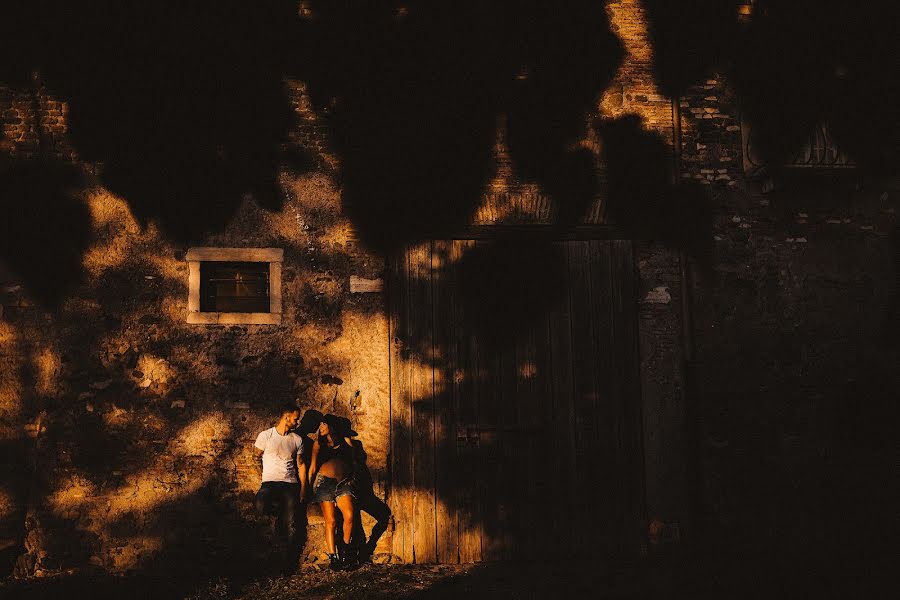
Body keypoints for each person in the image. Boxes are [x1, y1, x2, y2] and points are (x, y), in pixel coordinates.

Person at [253, 404, 307, 568]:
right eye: (296, 418)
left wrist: (303, 489)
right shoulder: (266, 435)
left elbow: (301, 466)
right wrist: (262, 478)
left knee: (291, 524)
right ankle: (279, 513)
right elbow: (255, 458)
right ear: (286, 416)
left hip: (290, 485)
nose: (297, 422)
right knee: (259, 505)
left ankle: (288, 564)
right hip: (269, 483)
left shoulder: (297, 439)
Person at [309, 413, 358, 570]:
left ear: (331, 426)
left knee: (349, 516)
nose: (320, 428)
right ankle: (333, 557)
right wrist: (308, 489)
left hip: (344, 484)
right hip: (324, 484)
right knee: (331, 521)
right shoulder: (318, 444)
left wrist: (353, 478)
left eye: (323, 425)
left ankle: (345, 551)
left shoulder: (345, 441)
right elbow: (312, 468)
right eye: (320, 425)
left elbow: (355, 463)